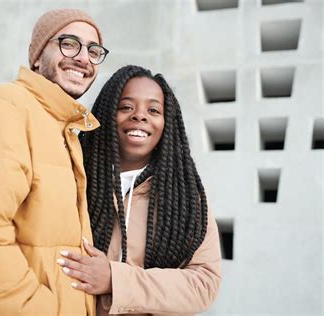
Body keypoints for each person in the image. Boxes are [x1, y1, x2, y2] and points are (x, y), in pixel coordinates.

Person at [0, 9, 109, 315]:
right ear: (38, 56)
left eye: (94, 51)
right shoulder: (5, 107)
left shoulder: (64, 130)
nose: (83, 58)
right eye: (69, 43)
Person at [56, 65, 222, 315]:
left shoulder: (186, 197)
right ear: (107, 114)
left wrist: (115, 279)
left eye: (153, 110)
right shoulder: (71, 177)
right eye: (126, 107)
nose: (139, 116)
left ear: (167, 123)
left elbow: (203, 285)